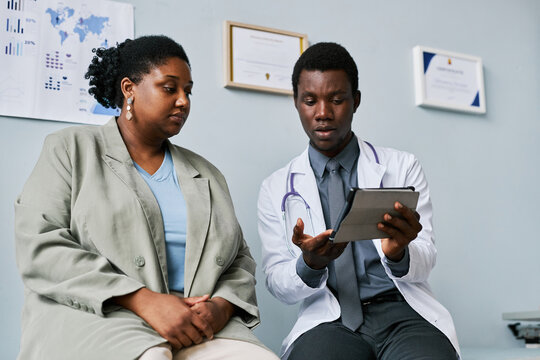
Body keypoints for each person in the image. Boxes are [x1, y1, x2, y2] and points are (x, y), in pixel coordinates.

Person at [15, 35, 278, 360]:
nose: (183, 101)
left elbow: (240, 260)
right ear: (129, 89)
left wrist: (220, 309)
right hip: (99, 316)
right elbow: (40, 245)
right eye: (170, 88)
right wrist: (143, 300)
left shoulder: (207, 174)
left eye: (188, 91)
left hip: (196, 323)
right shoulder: (70, 150)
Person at [257, 42, 460, 360]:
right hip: (330, 320)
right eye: (310, 101)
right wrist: (310, 264)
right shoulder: (275, 187)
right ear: (296, 103)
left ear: (356, 101)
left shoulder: (402, 167)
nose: (323, 113)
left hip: (403, 315)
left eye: (337, 100)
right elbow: (277, 282)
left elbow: (427, 257)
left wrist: (399, 254)